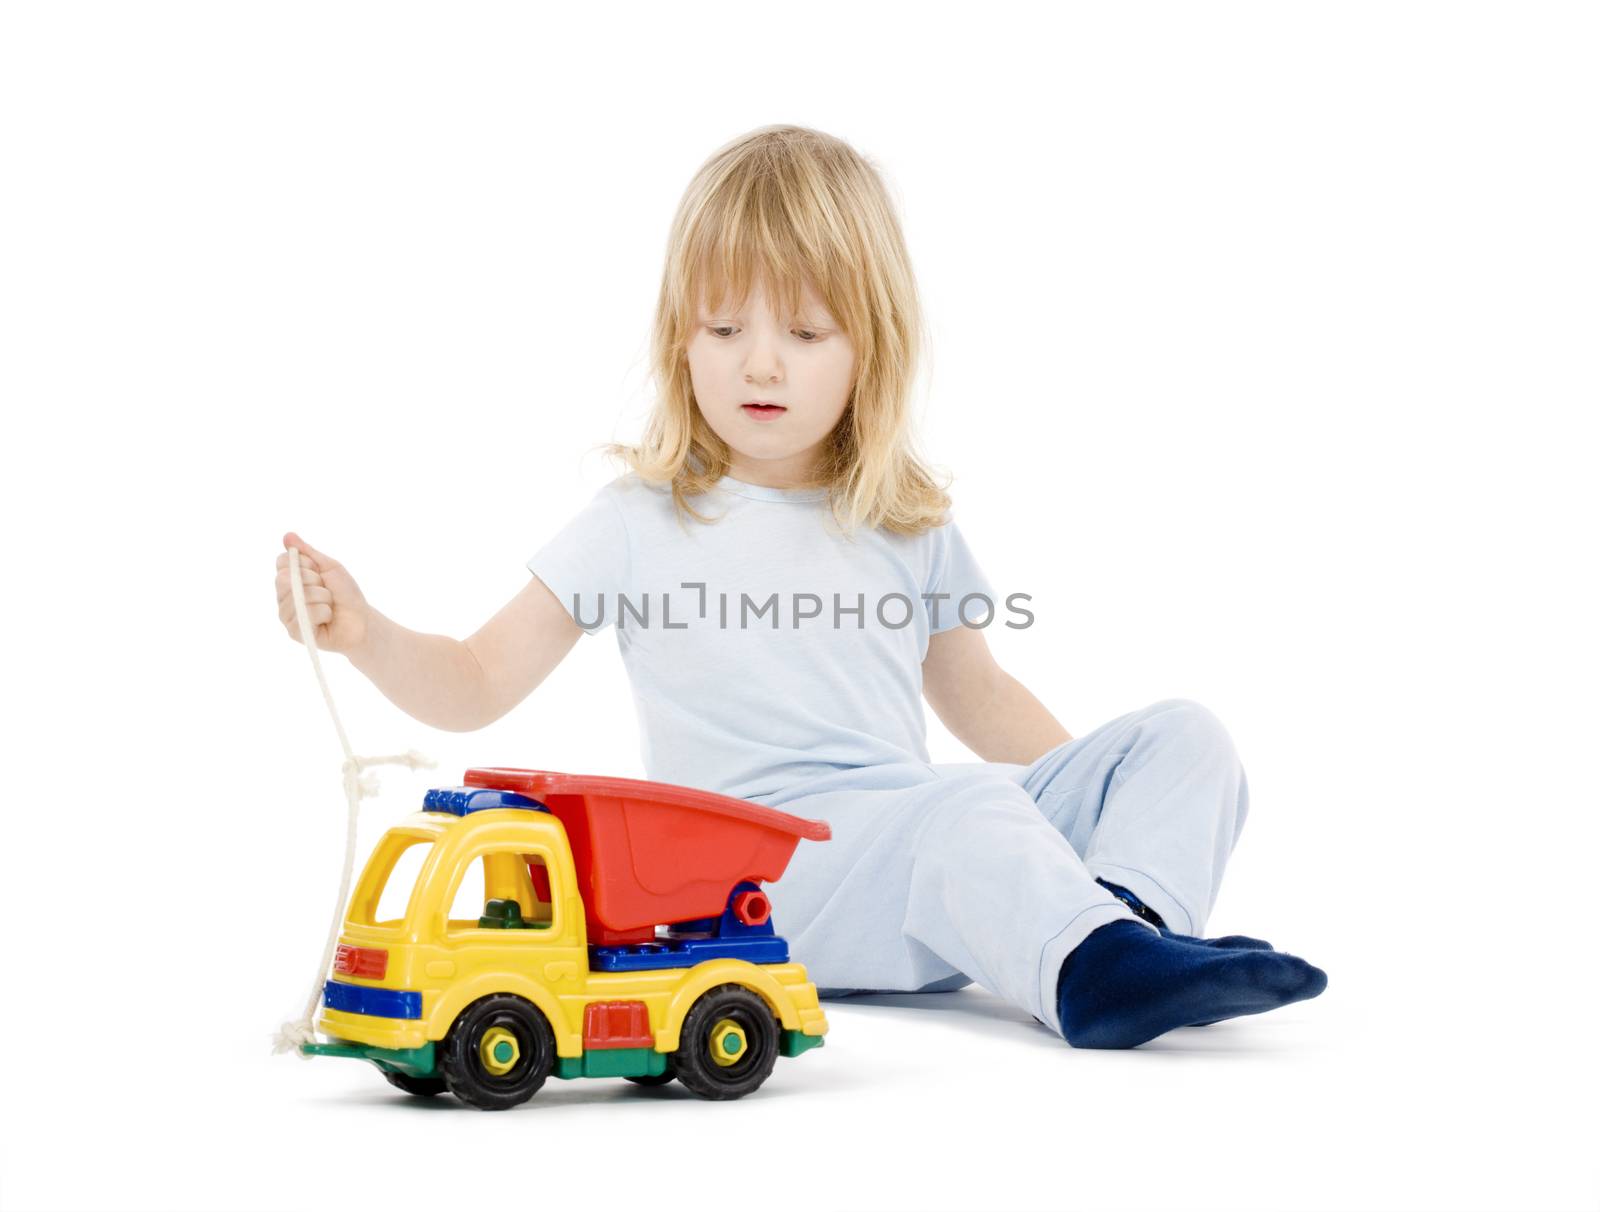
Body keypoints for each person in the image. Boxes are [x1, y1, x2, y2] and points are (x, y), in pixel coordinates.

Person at [274, 124, 1326, 1049]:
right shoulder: (637, 524)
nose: (760, 366)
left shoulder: (905, 517)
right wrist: (365, 632)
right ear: (679, 340)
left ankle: (1115, 927)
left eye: (805, 333)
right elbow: (471, 682)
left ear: (871, 348)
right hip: (765, 879)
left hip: (917, 833)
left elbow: (984, 700)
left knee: (1184, 739)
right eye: (724, 330)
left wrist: (1080, 809)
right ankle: (1091, 975)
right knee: (962, 807)